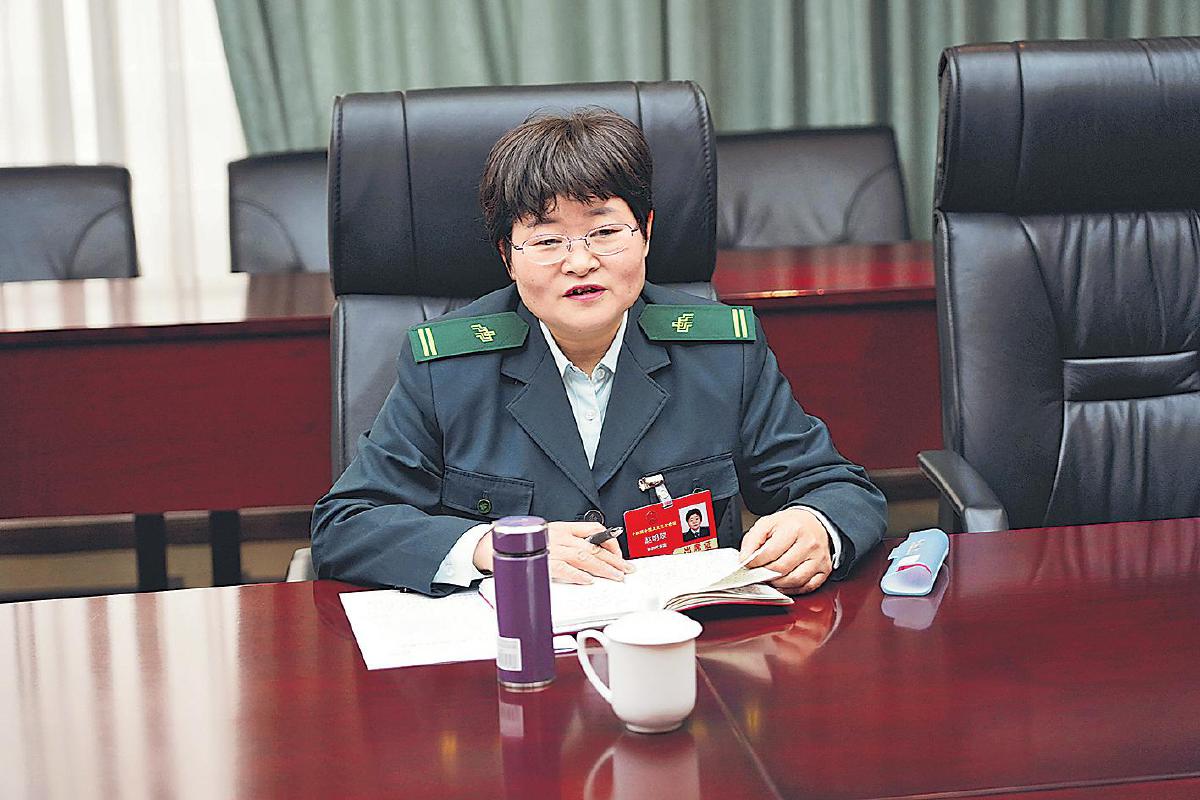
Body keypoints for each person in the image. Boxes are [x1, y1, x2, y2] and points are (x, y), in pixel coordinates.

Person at [311, 108, 886, 597]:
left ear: (646, 233)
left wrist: (817, 525)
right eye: (546, 239)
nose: (580, 262)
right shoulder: (448, 368)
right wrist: (495, 547)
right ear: (507, 256)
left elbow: (839, 488)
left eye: (605, 232)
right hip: (514, 653)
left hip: (689, 651)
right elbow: (346, 525)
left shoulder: (722, 353)